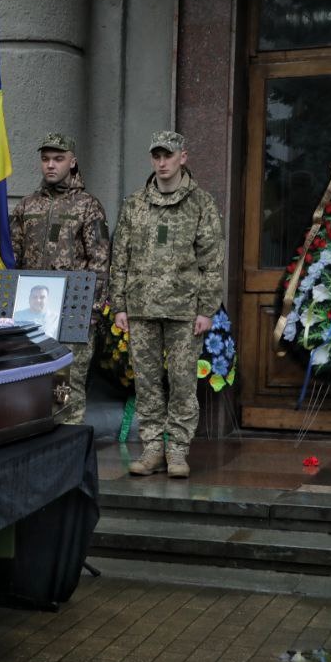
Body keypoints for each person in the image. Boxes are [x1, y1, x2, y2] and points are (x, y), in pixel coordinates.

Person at [110, 131, 224, 478]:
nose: (162, 163)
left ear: (182, 158)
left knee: (182, 382)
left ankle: (177, 452)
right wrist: (119, 305)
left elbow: (212, 260)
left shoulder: (200, 203)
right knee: (146, 383)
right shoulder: (135, 203)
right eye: (156, 156)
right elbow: (120, 257)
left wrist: (206, 308)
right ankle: (151, 450)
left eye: (168, 156)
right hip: (142, 307)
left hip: (183, 310)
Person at [10, 133, 110, 424]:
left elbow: (100, 262)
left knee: (68, 387)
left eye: (58, 159)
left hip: (71, 313)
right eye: (45, 159)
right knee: (32, 385)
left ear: (73, 161)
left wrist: (90, 310)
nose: (50, 165)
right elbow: (12, 259)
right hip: (32, 313)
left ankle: (69, 449)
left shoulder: (88, 206)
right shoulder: (27, 207)